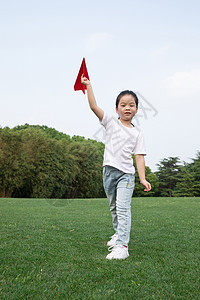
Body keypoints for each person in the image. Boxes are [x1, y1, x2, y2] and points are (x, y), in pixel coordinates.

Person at [81, 75, 151, 260]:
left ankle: (122, 246)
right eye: (123, 104)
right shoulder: (110, 122)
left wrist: (142, 178)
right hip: (108, 172)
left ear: (136, 109)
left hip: (126, 176)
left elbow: (139, 157)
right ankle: (117, 234)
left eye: (131, 105)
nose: (127, 107)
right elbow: (93, 107)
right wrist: (88, 85)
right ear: (117, 108)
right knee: (113, 208)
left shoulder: (137, 134)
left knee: (122, 208)